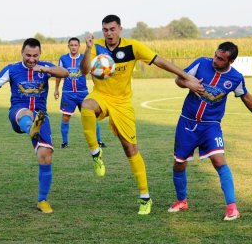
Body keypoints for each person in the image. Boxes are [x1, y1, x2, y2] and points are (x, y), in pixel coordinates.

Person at [79, 14, 204, 215]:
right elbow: (84, 70)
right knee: (86, 106)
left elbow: (160, 61)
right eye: (105, 30)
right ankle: (96, 153)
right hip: (100, 96)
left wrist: (185, 75)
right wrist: (87, 49)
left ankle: (145, 197)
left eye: (112, 29)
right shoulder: (96, 46)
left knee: (130, 149)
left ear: (120, 29)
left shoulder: (133, 46)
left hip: (122, 103)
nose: (109, 33)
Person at [168, 41, 252, 220]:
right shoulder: (201, 63)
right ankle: (182, 201)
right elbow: (179, 79)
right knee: (179, 163)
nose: (215, 60)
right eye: (215, 55)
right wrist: (189, 85)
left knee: (219, 161)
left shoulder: (235, 78)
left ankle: (232, 208)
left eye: (221, 59)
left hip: (211, 125)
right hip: (187, 123)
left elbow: (245, 96)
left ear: (230, 61)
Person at [0, 38, 68, 214]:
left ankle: (42, 200)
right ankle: (31, 128)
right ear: (22, 53)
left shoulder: (45, 67)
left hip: (41, 115)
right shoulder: (12, 69)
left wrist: (46, 69)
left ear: (40, 54)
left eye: (35, 55)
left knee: (45, 156)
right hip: (18, 113)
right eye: (28, 55)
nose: (32, 59)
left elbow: (65, 72)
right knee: (26, 114)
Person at [54, 37, 106, 149]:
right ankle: (64, 142)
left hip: (83, 93)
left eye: (75, 45)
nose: (73, 47)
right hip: (68, 93)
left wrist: (98, 86)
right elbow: (58, 74)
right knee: (66, 117)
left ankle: (99, 141)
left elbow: (92, 73)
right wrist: (56, 89)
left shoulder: (84, 58)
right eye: (71, 45)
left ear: (79, 46)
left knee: (92, 116)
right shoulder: (63, 58)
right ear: (68, 46)